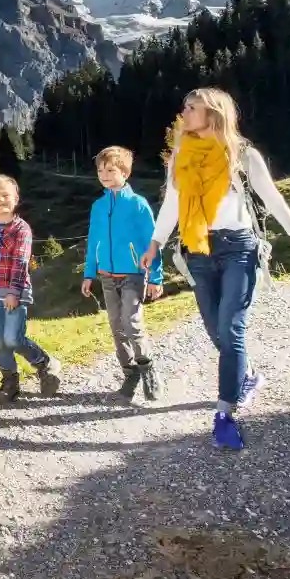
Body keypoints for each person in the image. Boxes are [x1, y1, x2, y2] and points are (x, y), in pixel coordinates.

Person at [140, 88, 290, 451]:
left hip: (238, 247)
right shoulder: (181, 156)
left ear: (213, 113)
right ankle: (248, 374)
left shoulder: (242, 155)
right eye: (185, 107)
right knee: (214, 329)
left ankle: (224, 414)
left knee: (231, 328)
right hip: (197, 250)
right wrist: (155, 243)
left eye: (192, 108)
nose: (184, 113)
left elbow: (272, 197)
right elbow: (172, 203)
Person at [0, 175, 63, 400]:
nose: (1, 200)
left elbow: (21, 262)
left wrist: (13, 291)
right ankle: (10, 381)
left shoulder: (21, 230)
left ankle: (45, 363)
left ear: (15, 198)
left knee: (13, 339)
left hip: (16, 293)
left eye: (6, 195)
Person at [80, 146, 163, 402]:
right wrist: (89, 273)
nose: (104, 175)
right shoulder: (98, 206)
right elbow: (93, 240)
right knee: (116, 326)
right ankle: (130, 373)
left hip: (134, 275)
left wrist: (156, 277)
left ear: (125, 173)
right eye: (100, 170)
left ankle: (148, 369)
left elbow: (152, 241)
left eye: (110, 170)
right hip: (106, 275)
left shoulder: (137, 205)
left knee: (132, 322)